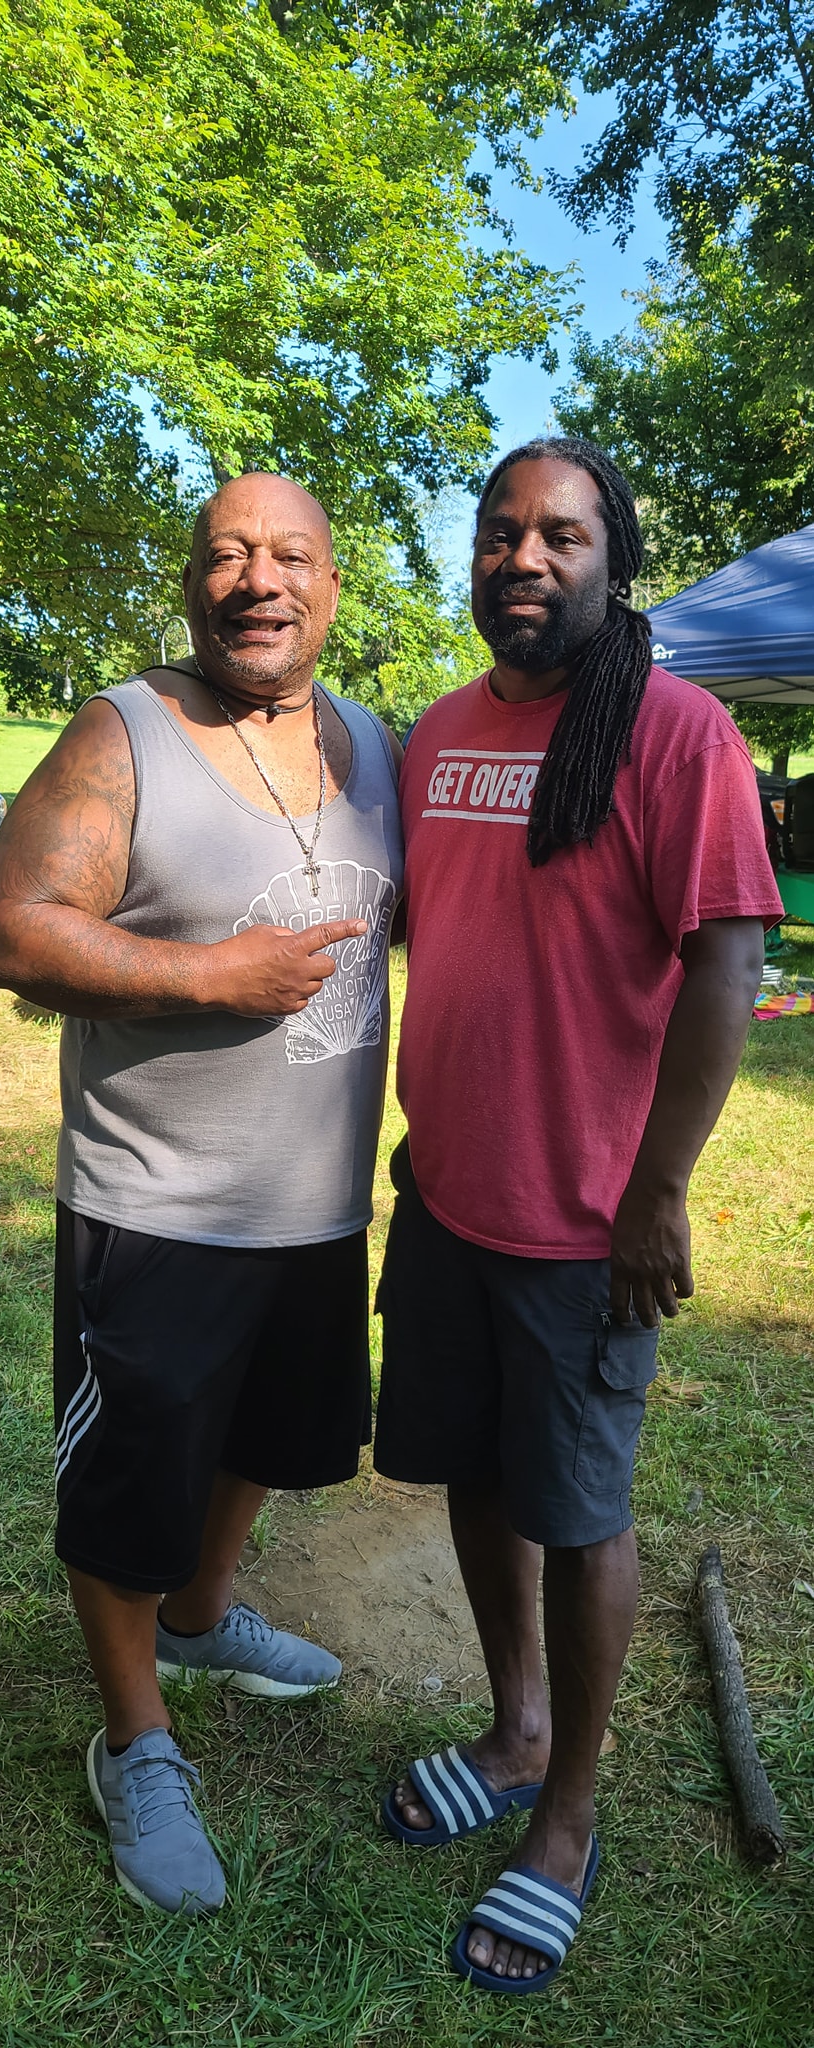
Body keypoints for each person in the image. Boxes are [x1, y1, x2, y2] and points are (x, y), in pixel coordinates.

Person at [373, 438, 782, 1995]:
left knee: (581, 1511)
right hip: (446, 1195)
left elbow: (727, 966)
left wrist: (657, 1194)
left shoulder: (675, 735)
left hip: (582, 1223)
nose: (523, 559)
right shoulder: (437, 738)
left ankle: (567, 1806)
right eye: (499, 533)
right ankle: (512, 1721)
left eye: (559, 535)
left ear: (612, 562)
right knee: (472, 1478)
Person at [0, 472, 403, 1917]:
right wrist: (203, 975)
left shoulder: (376, 752)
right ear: (189, 582)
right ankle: (134, 1736)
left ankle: (208, 1616)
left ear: (333, 586)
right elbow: (14, 927)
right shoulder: (124, 733)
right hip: (154, 1208)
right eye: (226, 554)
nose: (256, 580)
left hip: (317, 1202)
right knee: (127, 1487)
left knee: (276, 1437)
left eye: (289, 555)